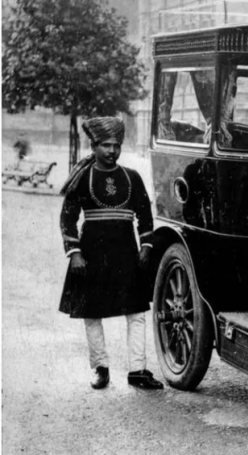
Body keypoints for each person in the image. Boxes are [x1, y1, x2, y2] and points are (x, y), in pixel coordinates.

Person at [58, 117, 163, 390]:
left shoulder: (132, 177)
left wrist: (146, 246)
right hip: (91, 254)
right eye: (105, 145)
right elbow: (67, 219)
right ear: (93, 146)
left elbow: (145, 216)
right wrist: (75, 253)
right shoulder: (82, 178)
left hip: (126, 253)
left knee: (137, 312)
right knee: (92, 313)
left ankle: (138, 371)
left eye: (116, 145)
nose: (112, 151)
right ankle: (100, 369)